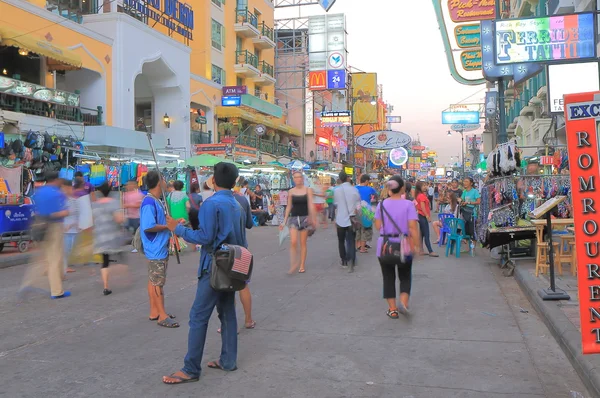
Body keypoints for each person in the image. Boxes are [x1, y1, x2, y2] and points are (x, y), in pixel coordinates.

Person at [162, 162, 247, 385]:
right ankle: (228, 360)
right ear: (234, 181)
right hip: (232, 266)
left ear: (214, 181)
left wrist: (177, 229)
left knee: (198, 317)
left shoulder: (212, 203)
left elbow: (205, 238)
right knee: (227, 314)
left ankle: (190, 369)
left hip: (214, 266)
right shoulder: (237, 203)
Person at [374, 175, 420, 318]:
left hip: (385, 246)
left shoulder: (381, 205)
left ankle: (392, 309)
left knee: (388, 277)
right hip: (403, 246)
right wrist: (417, 246)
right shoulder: (408, 204)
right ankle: (404, 303)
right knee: (405, 276)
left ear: (389, 190)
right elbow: (413, 227)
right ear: (402, 189)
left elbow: (378, 226)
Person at [21, 171, 70, 299]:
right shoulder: (58, 194)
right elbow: (62, 212)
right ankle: (57, 291)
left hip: (39, 227)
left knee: (41, 259)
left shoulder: (39, 192)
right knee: (54, 259)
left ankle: (28, 283)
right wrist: (65, 212)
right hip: (53, 228)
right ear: (56, 180)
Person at [140, 171, 179, 328]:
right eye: (163, 179)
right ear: (158, 182)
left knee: (153, 280)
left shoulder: (156, 200)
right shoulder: (149, 202)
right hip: (155, 247)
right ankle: (162, 315)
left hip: (157, 246)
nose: (166, 182)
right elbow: (148, 226)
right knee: (158, 282)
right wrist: (168, 227)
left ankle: (155, 311)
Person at [92, 182, 125, 296]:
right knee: (120, 257)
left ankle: (106, 286)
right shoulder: (114, 203)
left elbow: (93, 220)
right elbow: (119, 219)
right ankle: (122, 278)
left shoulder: (95, 204)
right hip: (113, 236)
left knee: (105, 261)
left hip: (100, 236)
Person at [280, 171, 316, 274]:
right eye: (296, 177)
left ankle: (302, 265)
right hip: (294, 218)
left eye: (299, 177)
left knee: (303, 243)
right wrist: (284, 221)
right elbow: (288, 206)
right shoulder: (291, 191)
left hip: (305, 218)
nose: (298, 179)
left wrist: (313, 218)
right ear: (293, 179)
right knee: (293, 242)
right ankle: (293, 264)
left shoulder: (308, 190)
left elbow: (310, 204)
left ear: (302, 178)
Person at [334, 171, 361, 272]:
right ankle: (352, 260)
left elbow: (336, 204)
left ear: (340, 179)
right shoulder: (354, 190)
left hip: (340, 218)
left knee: (341, 241)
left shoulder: (336, 190)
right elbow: (358, 205)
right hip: (352, 219)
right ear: (347, 179)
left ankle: (344, 260)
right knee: (351, 240)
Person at [415, 182, 438, 257]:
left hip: (421, 216)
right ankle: (430, 251)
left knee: (422, 234)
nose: (425, 187)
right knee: (426, 234)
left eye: (425, 185)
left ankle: (421, 250)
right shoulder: (421, 196)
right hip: (423, 216)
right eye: (423, 186)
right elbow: (422, 207)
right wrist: (427, 216)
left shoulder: (420, 195)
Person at [355, 174, 377, 253]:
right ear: (367, 181)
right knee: (365, 229)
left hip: (356, 210)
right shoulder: (370, 189)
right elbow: (376, 196)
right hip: (366, 211)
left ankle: (358, 246)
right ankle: (362, 248)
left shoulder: (355, 188)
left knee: (358, 228)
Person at [62, 180, 79, 276]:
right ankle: (63, 267)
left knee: (69, 249)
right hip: (64, 229)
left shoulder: (74, 200)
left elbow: (77, 214)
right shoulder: (62, 200)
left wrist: (75, 224)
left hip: (72, 229)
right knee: (65, 249)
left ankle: (65, 266)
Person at [459, 177, 481, 249]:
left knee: (472, 230)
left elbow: (478, 201)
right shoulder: (464, 191)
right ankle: (468, 247)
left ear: (471, 183)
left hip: (472, 213)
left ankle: (473, 248)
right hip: (465, 213)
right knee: (466, 230)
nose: (464, 183)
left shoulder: (475, 191)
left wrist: (468, 202)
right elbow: (461, 199)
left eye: (466, 181)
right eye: (464, 181)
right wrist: (460, 201)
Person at [124, 180, 143, 252]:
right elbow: (124, 205)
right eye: (127, 185)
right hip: (129, 216)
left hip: (136, 217)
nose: (128, 186)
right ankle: (133, 244)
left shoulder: (138, 194)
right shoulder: (126, 194)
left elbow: (139, 205)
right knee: (128, 231)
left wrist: (129, 205)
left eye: (130, 185)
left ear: (134, 186)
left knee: (136, 233)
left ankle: (137, 247)